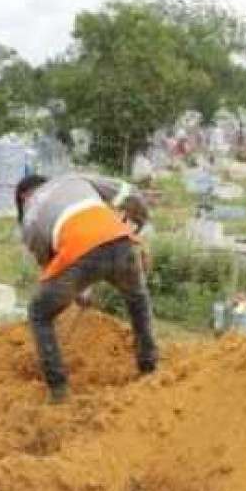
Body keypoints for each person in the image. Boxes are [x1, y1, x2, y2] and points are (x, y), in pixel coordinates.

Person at [15, 171, 158, 403]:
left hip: (79, 253)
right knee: (137, 299)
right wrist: (136, 227)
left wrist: (78, 292)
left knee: (39, 313)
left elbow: (52, 267)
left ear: (23, 198)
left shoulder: (30, 219)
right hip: (121, 241)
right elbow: (129, 194)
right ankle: (149, 367)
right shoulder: (72, 178)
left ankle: (58, 389)